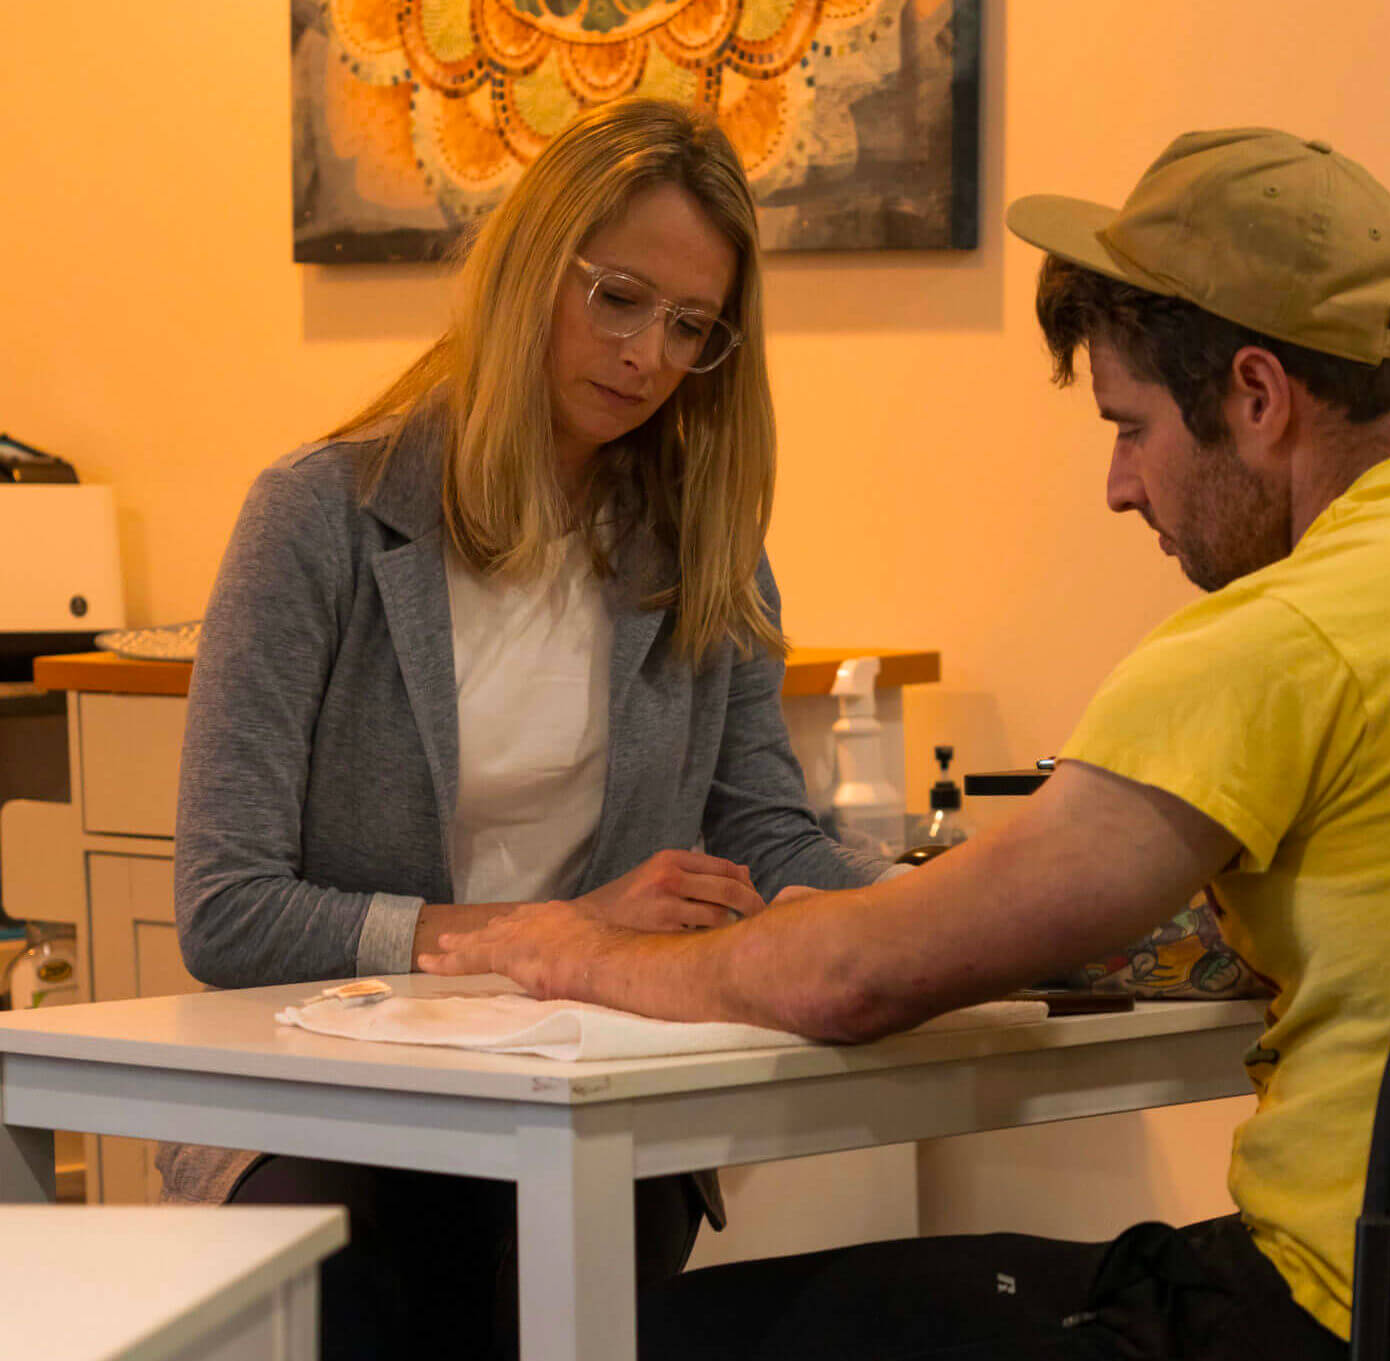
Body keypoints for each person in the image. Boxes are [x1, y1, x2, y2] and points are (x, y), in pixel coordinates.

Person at [422, 127, 1390, 1360]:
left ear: (1256, 395)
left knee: (641, 1337)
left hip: (1337, 1319)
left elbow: (850, 980)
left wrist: (571, 945)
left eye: (1128, 425)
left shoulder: (1285, 631)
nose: (1118, 486)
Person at [164, 96, 893, 1361]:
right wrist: (535, 939)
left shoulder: (702, 544)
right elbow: (227, 907)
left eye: (689, 326)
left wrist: (961, 910)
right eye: (617, 298)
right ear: (525, 271)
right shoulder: (320, 517)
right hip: (333, 1111)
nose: (648, 356)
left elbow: (766, 832)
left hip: (582, 1092)